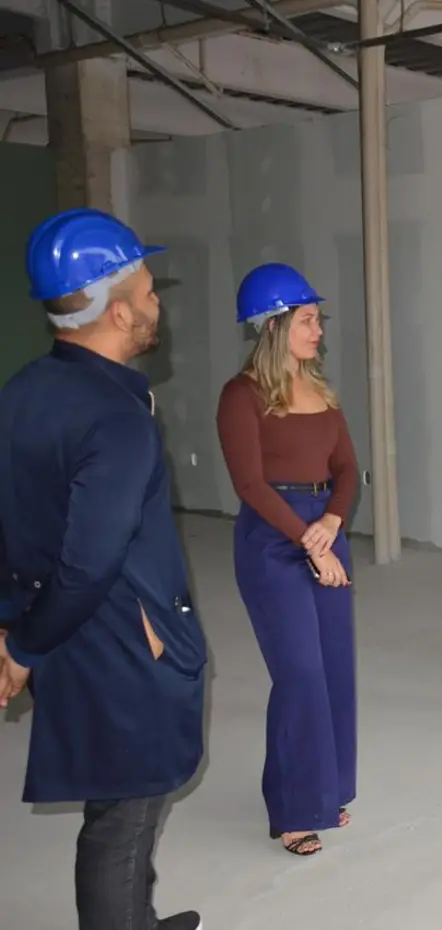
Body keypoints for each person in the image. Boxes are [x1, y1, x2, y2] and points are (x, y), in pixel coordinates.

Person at [0, 208, 204, 930]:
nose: (156, 304)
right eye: (148, 292)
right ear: (118, 312)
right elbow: (89, 565)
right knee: (126, 814)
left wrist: (14, 626)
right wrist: (22, 647)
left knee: (116, 795)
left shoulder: (22, 391)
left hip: (68, 635)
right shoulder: (116, 418)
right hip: (122, 644)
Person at [215, 263, 358, 857]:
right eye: (307, 320)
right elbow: (250, 484)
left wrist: (331, 523)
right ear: (274, 326)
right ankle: (294, 811)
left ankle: (326, 793)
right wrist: (309, 540)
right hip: (274, 539)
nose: (318, 330)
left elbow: (347, 469)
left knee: (334, 669)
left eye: (317, 319)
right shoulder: (241, 396)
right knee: (299, 672)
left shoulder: (321, 390)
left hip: (323, 529)